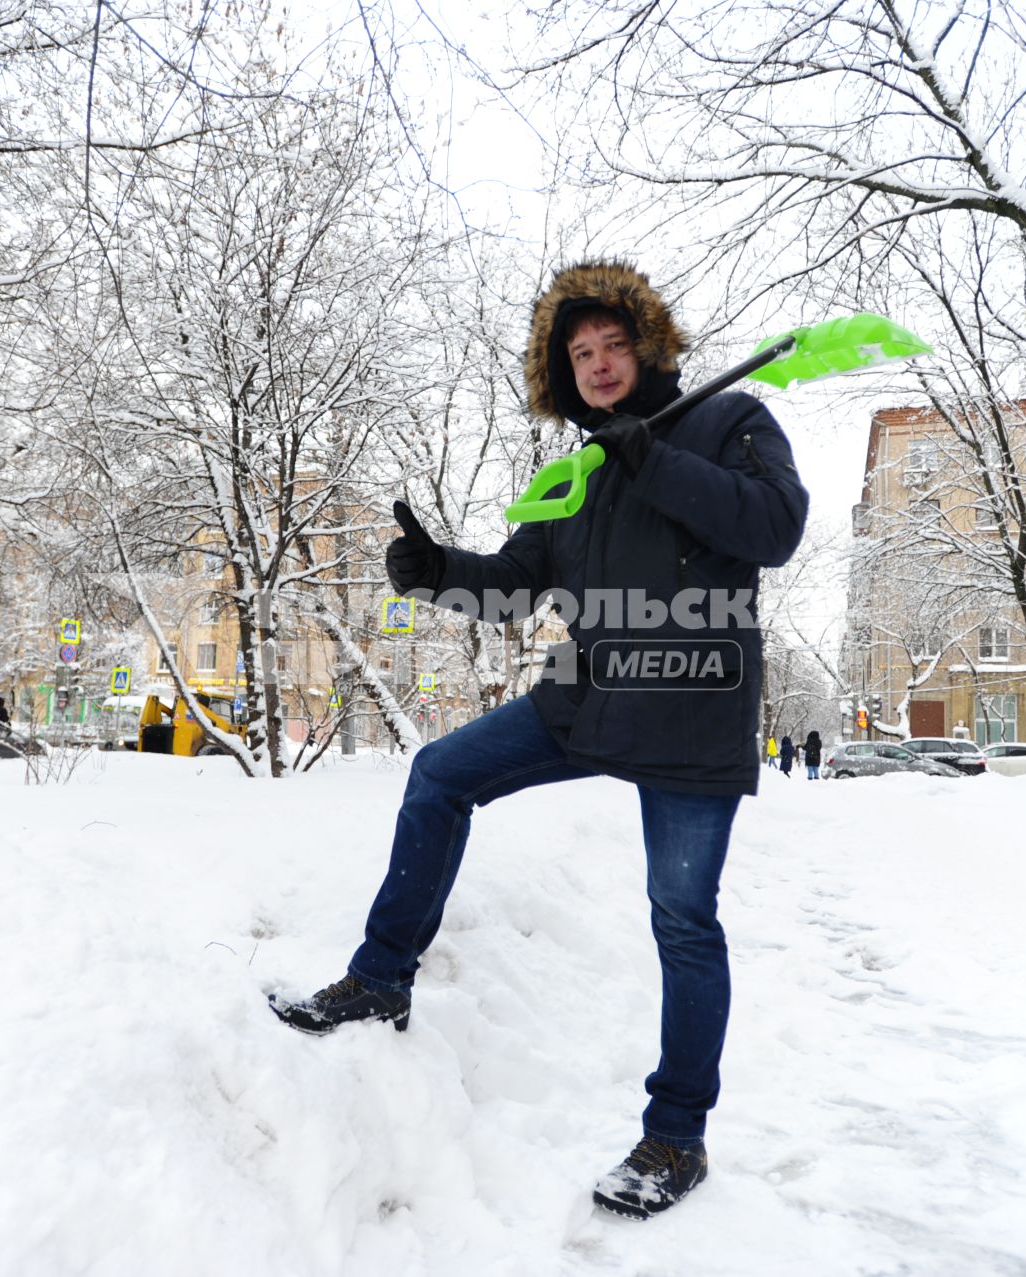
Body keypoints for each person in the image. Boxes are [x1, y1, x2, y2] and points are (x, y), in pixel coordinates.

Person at [268, 260, 809, 1220]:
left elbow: (774, 528)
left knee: (682, 917)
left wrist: (656, 460)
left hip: (691, 697)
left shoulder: (732, 422)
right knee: (439, 774)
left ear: (648, 347)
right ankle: (381, 978)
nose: (598, 364)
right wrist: (435, 571)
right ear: (564, 373)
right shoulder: (575, 473)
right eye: (580, 352)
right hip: (591, 691)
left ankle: (677, 1136)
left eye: (613, 345)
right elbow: (517, 584)